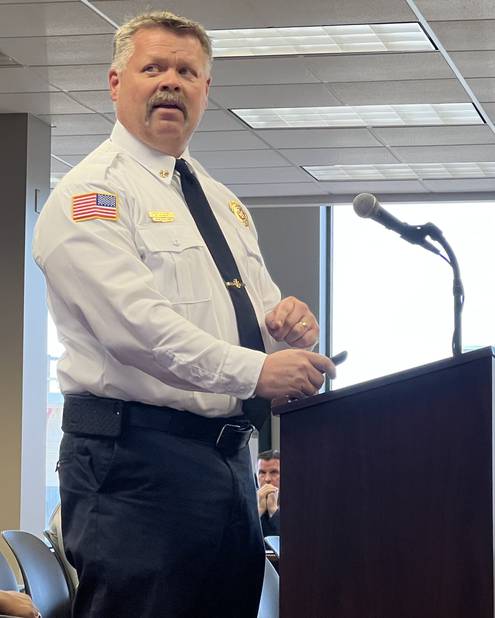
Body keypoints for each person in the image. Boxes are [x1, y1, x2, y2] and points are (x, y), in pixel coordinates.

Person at [32, 10, 336, 618]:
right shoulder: (90, 197)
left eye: (187, 71)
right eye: (154, 68)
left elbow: (260, 310)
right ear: (116, 83)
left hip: (225, 460)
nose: (171, 81)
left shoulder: (220, 201)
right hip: (135, 463)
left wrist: (291, 325)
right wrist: (256, 374)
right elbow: (137, 330)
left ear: (205, 90)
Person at [257, 450, 281, 536]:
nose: (267, 479)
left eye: (274, 472)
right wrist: (258, 512)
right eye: (262, 473)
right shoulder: (245, 506)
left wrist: (273, 511)